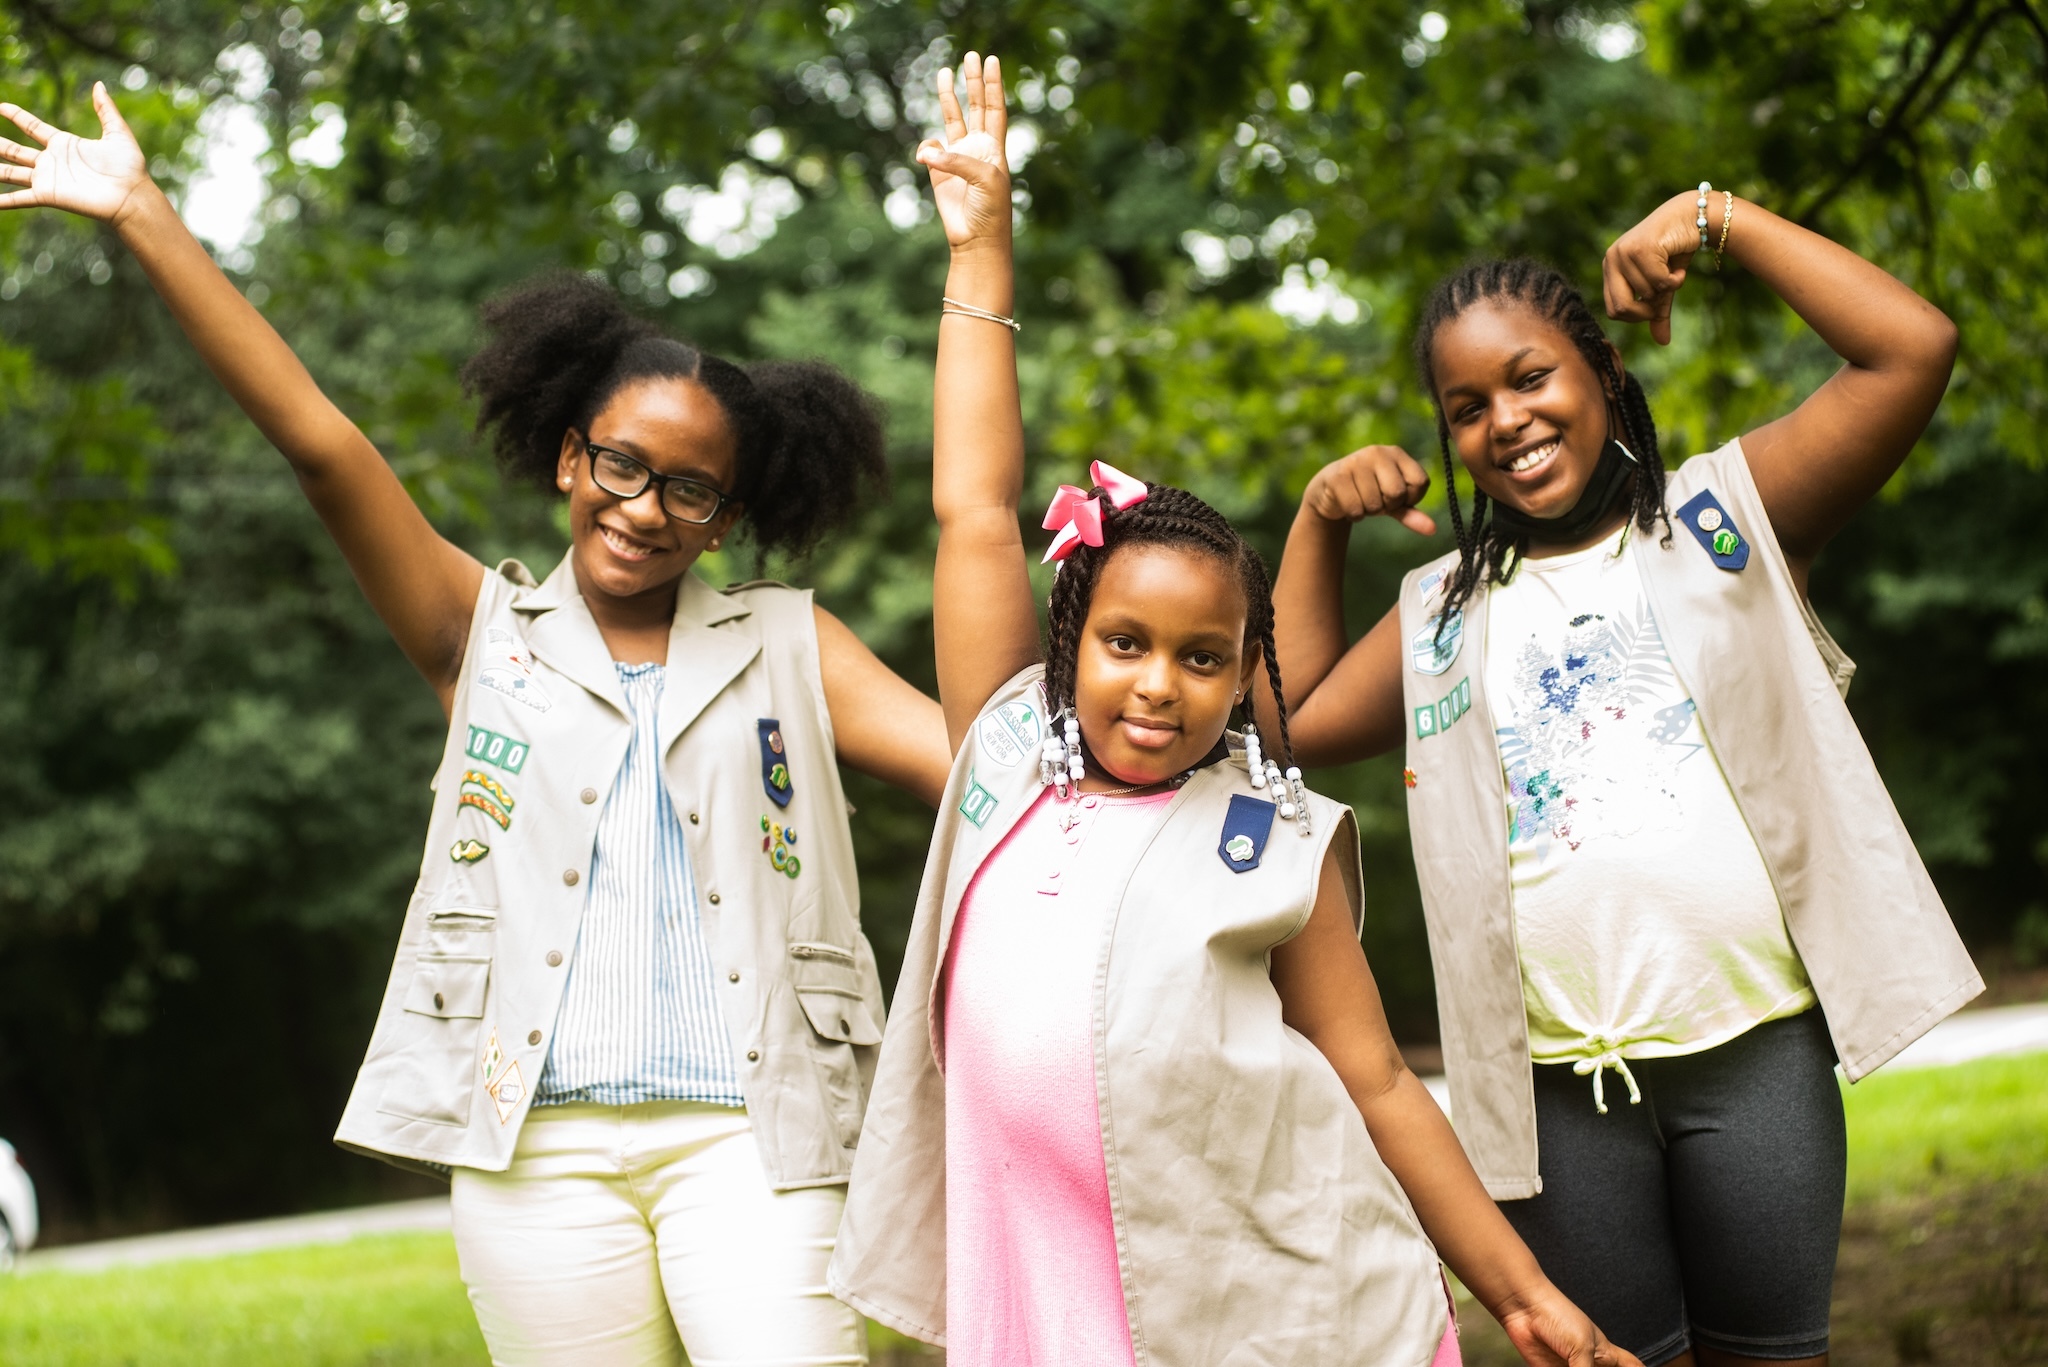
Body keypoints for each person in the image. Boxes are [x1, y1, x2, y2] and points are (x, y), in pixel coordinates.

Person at [1, 84, 952, 1366]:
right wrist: (142, 212)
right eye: (620, 463)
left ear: (724, 517)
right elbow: (322, 447)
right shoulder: (479, 634)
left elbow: (980, 771)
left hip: (760, 1134)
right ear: (569, 457)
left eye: (690, 489)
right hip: (537, 1150)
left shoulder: (789, 639)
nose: (644, 507)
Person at [826, 53, 1637, 1367]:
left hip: (1250, 1296)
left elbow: (1376, 1080)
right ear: (1066, 642)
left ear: (1244, 672)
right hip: (1037, 1281)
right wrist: (982, 253)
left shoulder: (1272, 830)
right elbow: (975, 503)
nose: (1159, 683)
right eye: (1127, 643)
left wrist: (1520, 1289)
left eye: (1206, 657)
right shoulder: (1008, 755)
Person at [1271, 191, 1982, 1367]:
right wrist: (1315, 523)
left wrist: (1721, 222)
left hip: (1753, 1055)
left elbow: (1910, 347)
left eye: (1530, 377)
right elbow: (1283, 723)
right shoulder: (1438, 613)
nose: (1506, 419)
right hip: (1555, 1095)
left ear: (1601, 368)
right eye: (1465, 407)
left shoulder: (1724, 516)